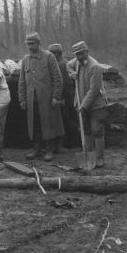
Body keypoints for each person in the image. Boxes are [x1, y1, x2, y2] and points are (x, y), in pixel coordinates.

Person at [18, 32, 64, 161]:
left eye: (32, 43)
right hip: (32, 99)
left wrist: (56, 96)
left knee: (48, 124)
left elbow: (58, 78)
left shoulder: (49, 57)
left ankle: (49, 150)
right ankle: (37, 149)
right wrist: (22, 99)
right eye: (28, 44)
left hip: (47, 99)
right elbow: (22, 81)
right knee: (35, 124)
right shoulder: (25, 60)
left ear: (39, 43)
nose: (30, 47)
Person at [66, 41, 108, 167]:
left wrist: (83, 107)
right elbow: (68, 65)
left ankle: (99, 158)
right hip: (81, 104)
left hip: (96, 105)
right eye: (77, 54)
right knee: (85, 130)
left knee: (96, 131)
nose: (79, 57)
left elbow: (94, 90)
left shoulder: (95, 66)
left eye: (81, 53)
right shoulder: (77, 62)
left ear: (87, 51)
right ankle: (88, 155)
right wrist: (72, 74)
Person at [47, 43, 81, 149]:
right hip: (65, 96)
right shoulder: (60, 63)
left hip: (66, 97)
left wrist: (61, 99)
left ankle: (70, 144)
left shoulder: (61, 65)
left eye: (51, 54)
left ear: (56, 54)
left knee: (66, 120)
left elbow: (65, 84)